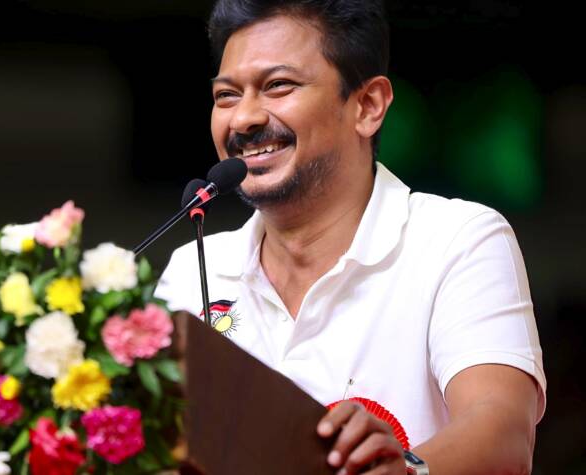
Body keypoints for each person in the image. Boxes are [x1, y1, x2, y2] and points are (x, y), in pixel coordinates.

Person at [154, 1, 545, 473]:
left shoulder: (457, 240)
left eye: (278, 86)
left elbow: (503, 432)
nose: (244, 119)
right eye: (227, 95)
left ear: (368, 106)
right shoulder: (192, 268)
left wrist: (406, 470)